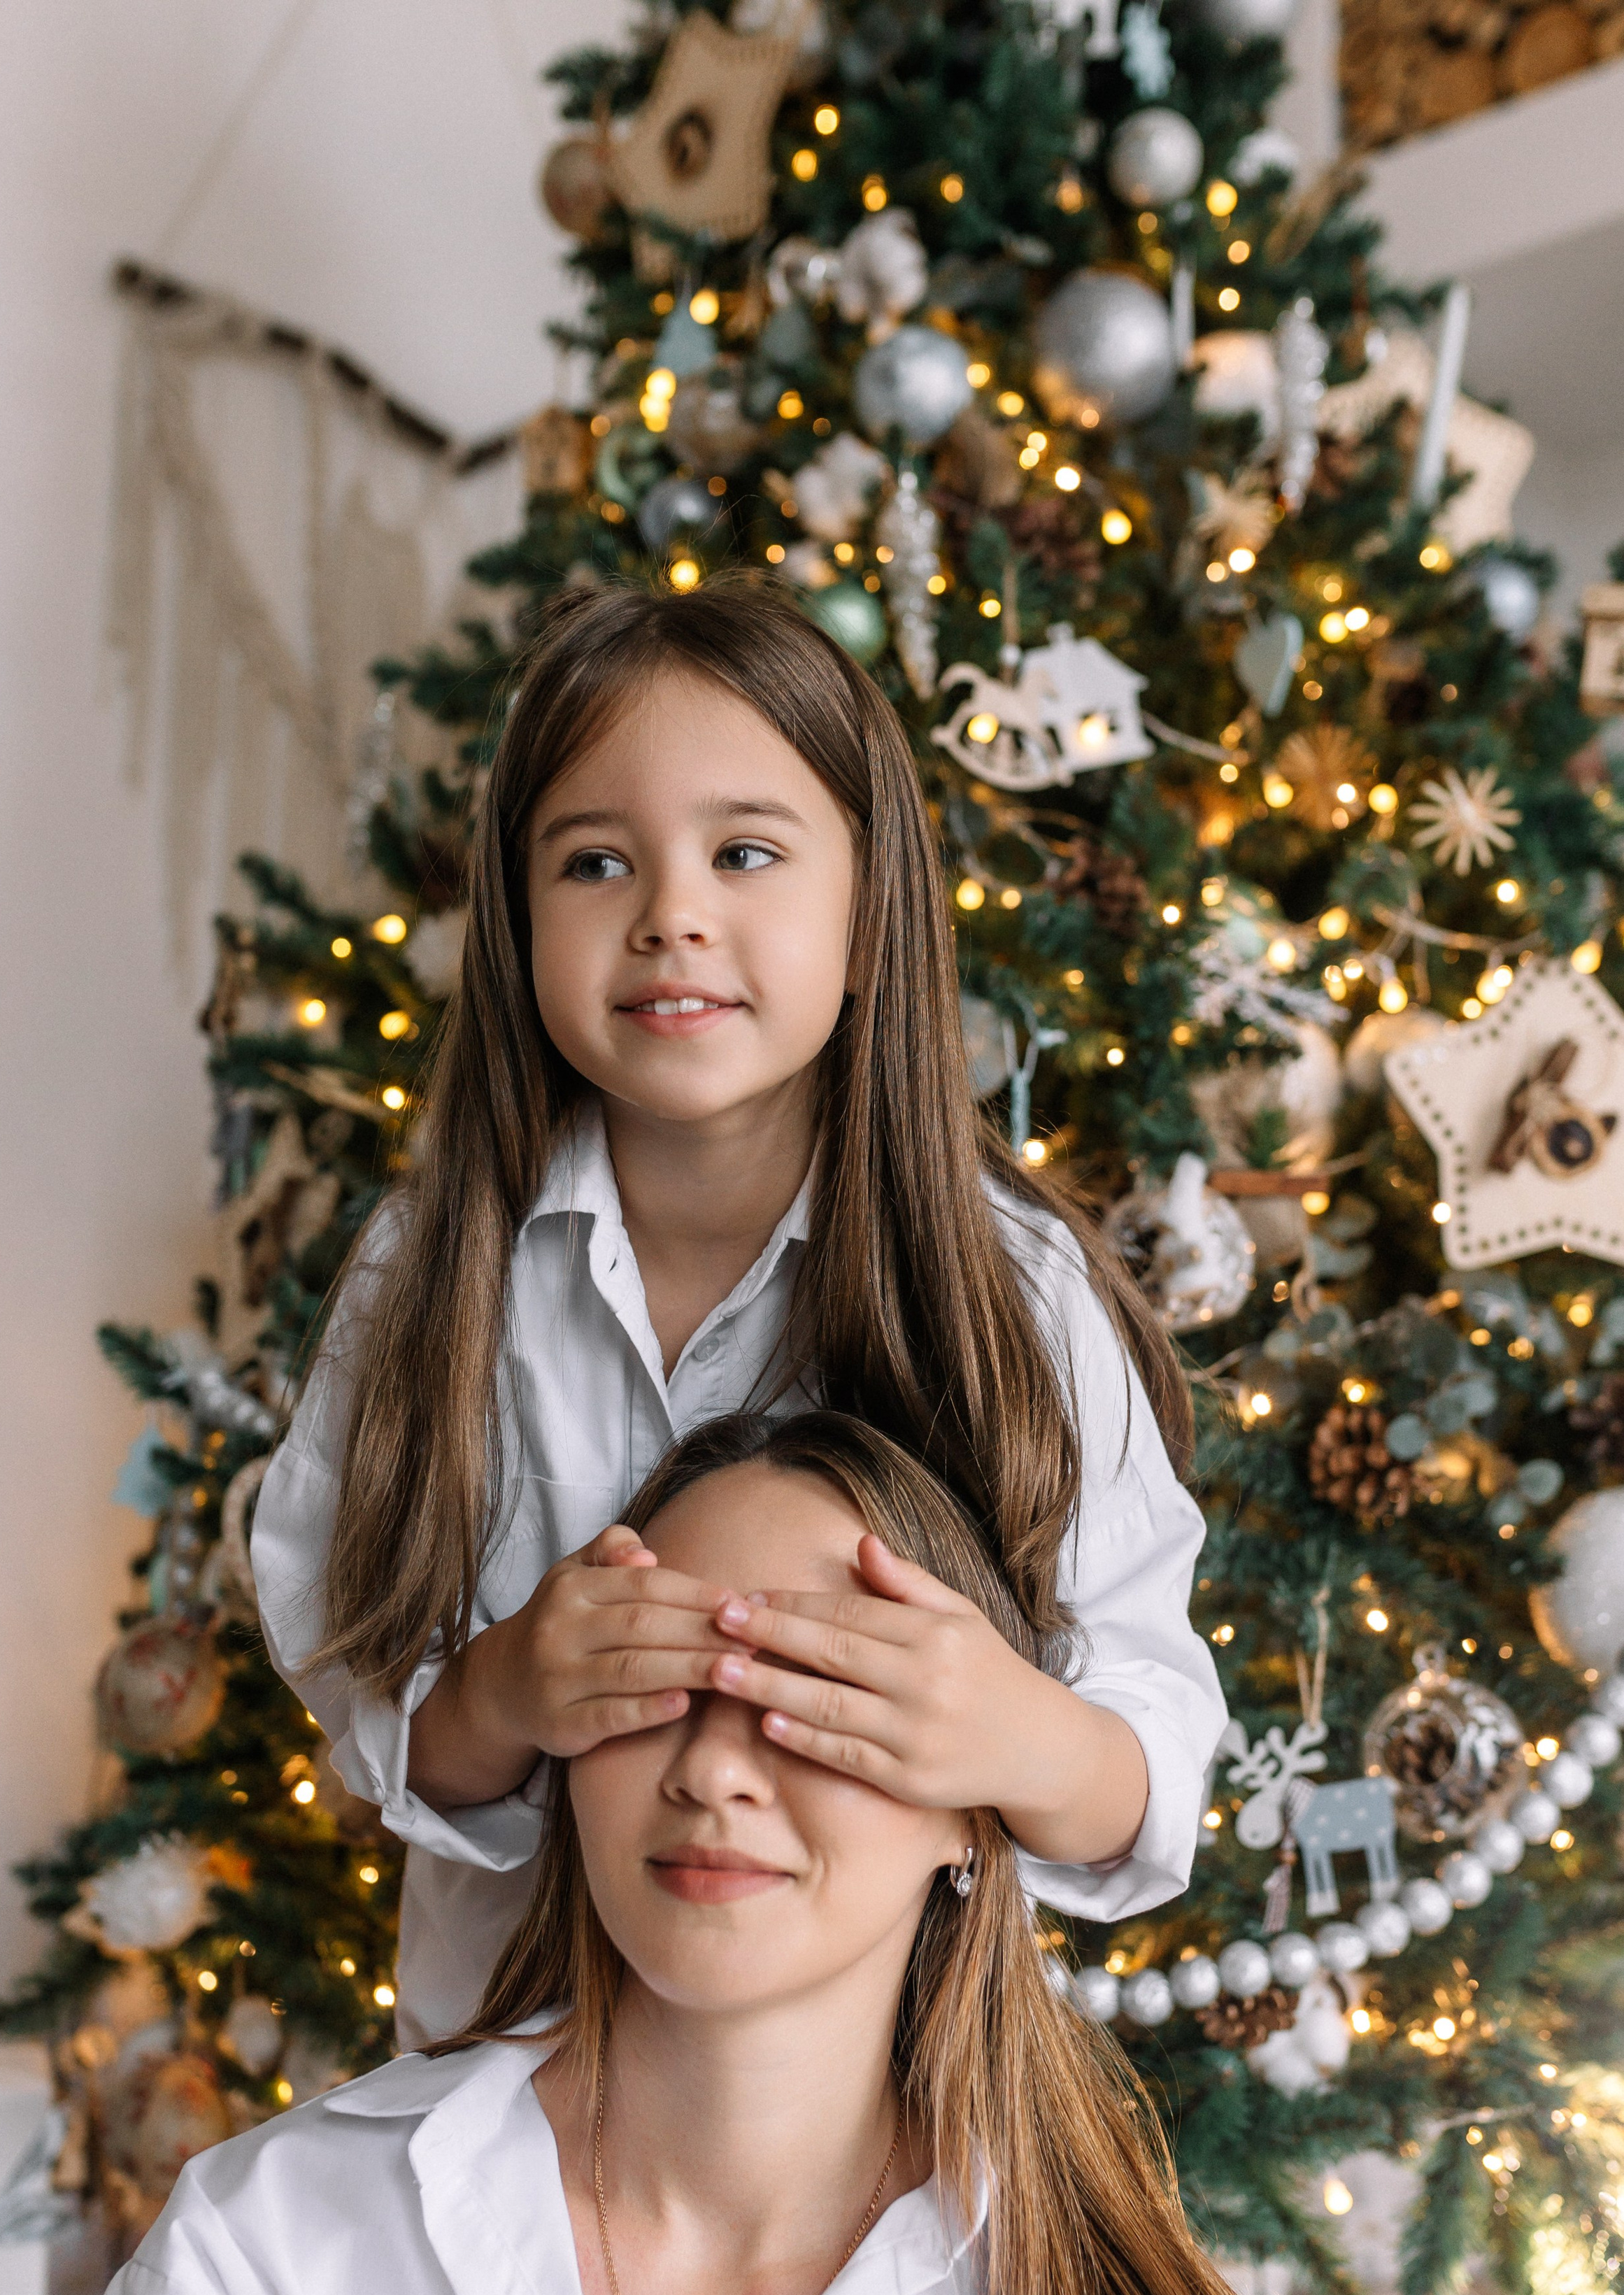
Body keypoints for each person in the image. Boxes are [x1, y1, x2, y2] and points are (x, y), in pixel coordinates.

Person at [0, 1415, 1379, 2295]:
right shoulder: (278, 2253)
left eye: (823, 1694)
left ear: (967, 1805)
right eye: (656, 1678)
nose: (713, 1766)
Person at [252, 574, 1227, 2042]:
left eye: (746, 851)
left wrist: (1013, 1731)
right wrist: (501, 1695)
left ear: (867, 904)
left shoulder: (1003, 1287)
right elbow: (362, 1698)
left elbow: (1146, 1763)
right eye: (593, 862)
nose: (671, 918)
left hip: (868, 2118)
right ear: (515, 912)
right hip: (511, 2096)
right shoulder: (427, 1274)